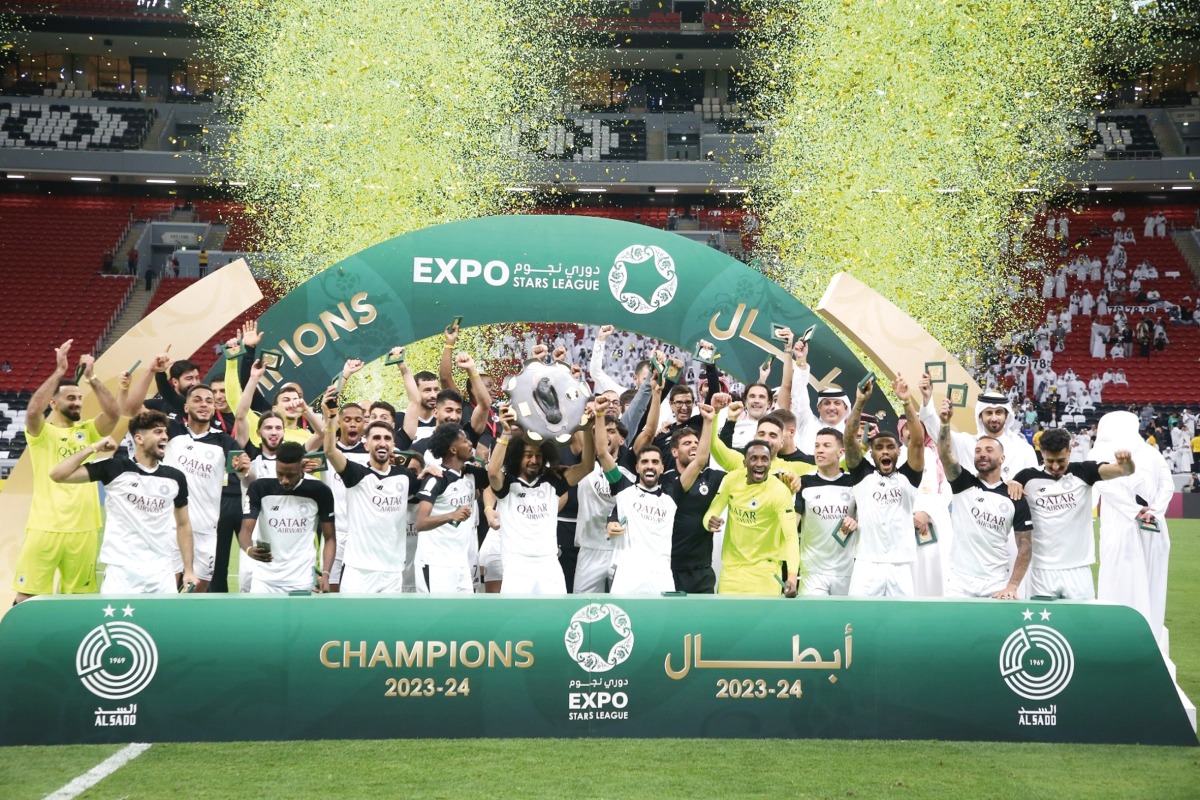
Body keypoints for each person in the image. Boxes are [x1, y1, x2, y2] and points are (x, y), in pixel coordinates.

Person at [12, 340, 120, 603]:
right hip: (45, 527)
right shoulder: (41, 433)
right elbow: (33, 411)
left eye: (80, 398)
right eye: (71, 398)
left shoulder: (88, 431)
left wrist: (92, 377)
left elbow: (114, 414)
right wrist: (59, 371)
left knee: (78, 601)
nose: (77, 403)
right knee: (27, 597)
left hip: (84, 529)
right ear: (54, 402)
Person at [49, 412, 196, 594]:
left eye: (165, 432)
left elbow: (183, 525)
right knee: (119, 623)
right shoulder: (113, 468)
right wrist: (93, 448)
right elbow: (58, 475)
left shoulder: (175, 477)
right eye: (158, 432)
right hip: (122, 571)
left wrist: (188, 570)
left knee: (164, 622)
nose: (165, 436)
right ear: (138, 438)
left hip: (162, 571)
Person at [1010, 427, 1135, 600]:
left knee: (1081, 625)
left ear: (1070, 451)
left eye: (1061, 460)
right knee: (1042, 625)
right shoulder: (1026, 477)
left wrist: (1126, 462)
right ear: (1042, 453)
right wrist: (1012, 483)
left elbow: (1125, 471)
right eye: (1050, 461)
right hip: (1041, 570)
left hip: (1078, 568)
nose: (1055, 467)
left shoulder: (1085, 471)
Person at [603, 402, 714, 594]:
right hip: (628, 574)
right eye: (644, 462)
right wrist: (598, 414)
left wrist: (709, 422)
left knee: (661, 624)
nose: (649, 466)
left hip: (661, 575)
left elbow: (700, 460)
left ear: (662, 468)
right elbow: (602, 453)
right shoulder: (623, 488)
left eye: (655, 462)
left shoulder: (671, 494)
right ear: (637, 468)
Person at [934, 399, 1033, 599]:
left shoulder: (1015, 496)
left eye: (989, 451)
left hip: (997, 584)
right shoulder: (963, 484)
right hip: (959, 583)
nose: (982, 455)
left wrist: (1012, 586)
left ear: (1002, 458)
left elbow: (1025, 545)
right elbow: (945, 454)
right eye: (978, 451)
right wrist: (944, 423)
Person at [324, 388, 419, 594]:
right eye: (376, 438)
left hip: (393, 571)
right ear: (366, 445)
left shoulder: (404, 476)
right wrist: (332, 418)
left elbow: (425, 494)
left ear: (394, 445)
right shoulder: (356, 474)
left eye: (387, 438)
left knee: (389, 626)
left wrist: (430, 470)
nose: (382, 442)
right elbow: (330, 451)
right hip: (359, 571)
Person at [489, 406, 592, 595]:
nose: (534, 460)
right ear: (517, 457)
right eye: (528, 455)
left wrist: (586, 430)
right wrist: (504, 434)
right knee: (516, 621)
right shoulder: (508, 485)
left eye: (538, 455)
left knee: (554, 620)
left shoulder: (553, 481)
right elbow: (493, 472)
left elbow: (587, 466)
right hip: (517, 566)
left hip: (549, 565)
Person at [1091, 411, 1172, 647]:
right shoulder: (1149, 452)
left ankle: (1137, 640)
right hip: (1138, 524)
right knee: (1137, 580)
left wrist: (1143, 511)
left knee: (1140, 580)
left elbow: (1165, 485)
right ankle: (1132, 638)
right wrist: (1150, 511)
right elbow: (1102, 485)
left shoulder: (1147, 453)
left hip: (1131, 526)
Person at [843, 374, 925, 597]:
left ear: (899, 452)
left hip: (901, 565)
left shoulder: (909, 478)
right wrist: (860, 402)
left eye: (891, 447)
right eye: (880, 447)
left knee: (903, 626)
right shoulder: (863, 476)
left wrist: (907, 402)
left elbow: (918, 441)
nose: (886, 451)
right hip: (866, 564)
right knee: (859, 623)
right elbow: (849, 441)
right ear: (871, 451)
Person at [162, 383, 245, 592]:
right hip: (170, 528)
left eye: (209, 401)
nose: (204, 405)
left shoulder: (224, 441)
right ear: (186, 407)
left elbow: (246, 475)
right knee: (167, 590)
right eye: (197, 400)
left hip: (206, 531)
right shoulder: (171, 432)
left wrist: (245, 469)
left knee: (198, 593)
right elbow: (132, 410)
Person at [704, 440, 799, 595]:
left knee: (763, 620)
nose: (759, 464)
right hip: (731, 574)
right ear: (744, 462)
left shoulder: (780, 491)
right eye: (754, 458)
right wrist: (708, 521)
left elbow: (791, 537)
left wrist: (792, 576)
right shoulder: (731, 480)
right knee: (728, 619)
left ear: (770, 463)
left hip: (765, 574)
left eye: (764, 459)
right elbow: (712, 511)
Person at [239, 441, 336, 593]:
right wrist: (249, 549)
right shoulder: (260, 487)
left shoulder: (319, 490)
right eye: (280, 474)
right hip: (264, 581)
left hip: (302, 580)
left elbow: (330, 537)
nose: (284, 480)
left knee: (299, 618)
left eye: (290, 475)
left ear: (301, 466)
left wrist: (325, 574)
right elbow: (245, 530)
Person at [415, 423, 491, 593]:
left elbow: (494, 478)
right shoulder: (436, 478)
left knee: (463, 617)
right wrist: (451, 515)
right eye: (465, 441)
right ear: (453, 450)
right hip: (435, 564)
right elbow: (421, 522)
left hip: (461, 563)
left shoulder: (471, 474)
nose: (470, 444)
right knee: (435, 617)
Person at [796, 428, 858, 595]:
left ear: (841, 452)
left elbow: (867, 517)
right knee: (813, 620)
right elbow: (792, 524)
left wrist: (856, 522)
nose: (819, 450)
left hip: (847, 571)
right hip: (813, 571)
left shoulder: (854, 483)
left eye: (826, 445)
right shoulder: (804, 482)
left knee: (845, 620)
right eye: (817, 446)